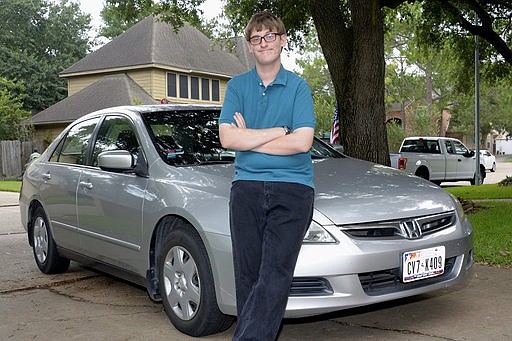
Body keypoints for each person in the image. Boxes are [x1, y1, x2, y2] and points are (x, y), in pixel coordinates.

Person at [218, 11, 316, 341]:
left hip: (294, 190)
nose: (264, 43)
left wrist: (252, 138)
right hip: (246, 188)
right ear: (249, 46)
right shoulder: (237, 87)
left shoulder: (299, 87)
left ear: (283, 40)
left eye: (270, 35)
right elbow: (228, 139)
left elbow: (302, 143)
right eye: (257, 38)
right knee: (247, 277)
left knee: (274, 273)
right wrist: (277, 131)